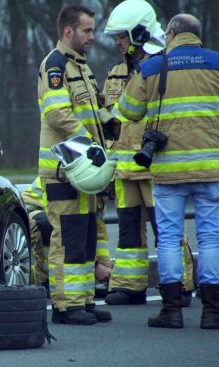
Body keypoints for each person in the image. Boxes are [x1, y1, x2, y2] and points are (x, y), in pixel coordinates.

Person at [118, 14, 219, 329]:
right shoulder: (216, 63)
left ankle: (172, 310)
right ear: (198, 36)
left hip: (168, 169)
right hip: (211, 167)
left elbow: (128, 110)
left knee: (169, 238)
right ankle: (213, 312)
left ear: (172, 34)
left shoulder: (152, 67)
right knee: (211, 236)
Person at [102, 0, 195, 306]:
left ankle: (180, 285)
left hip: (156, 165)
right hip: (125, 168)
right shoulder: (116, 73)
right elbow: (109, 117)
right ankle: (130, 285)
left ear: (139, 33)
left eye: (122, 36)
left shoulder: (163, 67)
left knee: (165, 228)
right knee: (128, 232)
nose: (118, 42)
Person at [37, 4, 111, 325]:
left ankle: (84, 301)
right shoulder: (55, 66)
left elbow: (96, 110)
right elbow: (56, 113)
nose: (92, 37)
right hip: (64, 168)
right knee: (67, 238)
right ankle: (65, 307)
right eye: (87, 30)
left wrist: (113, 125)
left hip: (84, 169)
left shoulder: (81, 67)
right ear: (69, 31)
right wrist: (90, 144)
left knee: (85, 236)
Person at [20, 178, 112, 296]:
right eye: (112, 184)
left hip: (55, 217)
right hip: (30, 212)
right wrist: (95, 266)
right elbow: (71, 232)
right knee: (50, 226)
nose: (113, 191)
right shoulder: (74, 184)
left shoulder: (96, 192)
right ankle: (44, 279)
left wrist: (105, 267)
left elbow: (96, 232)